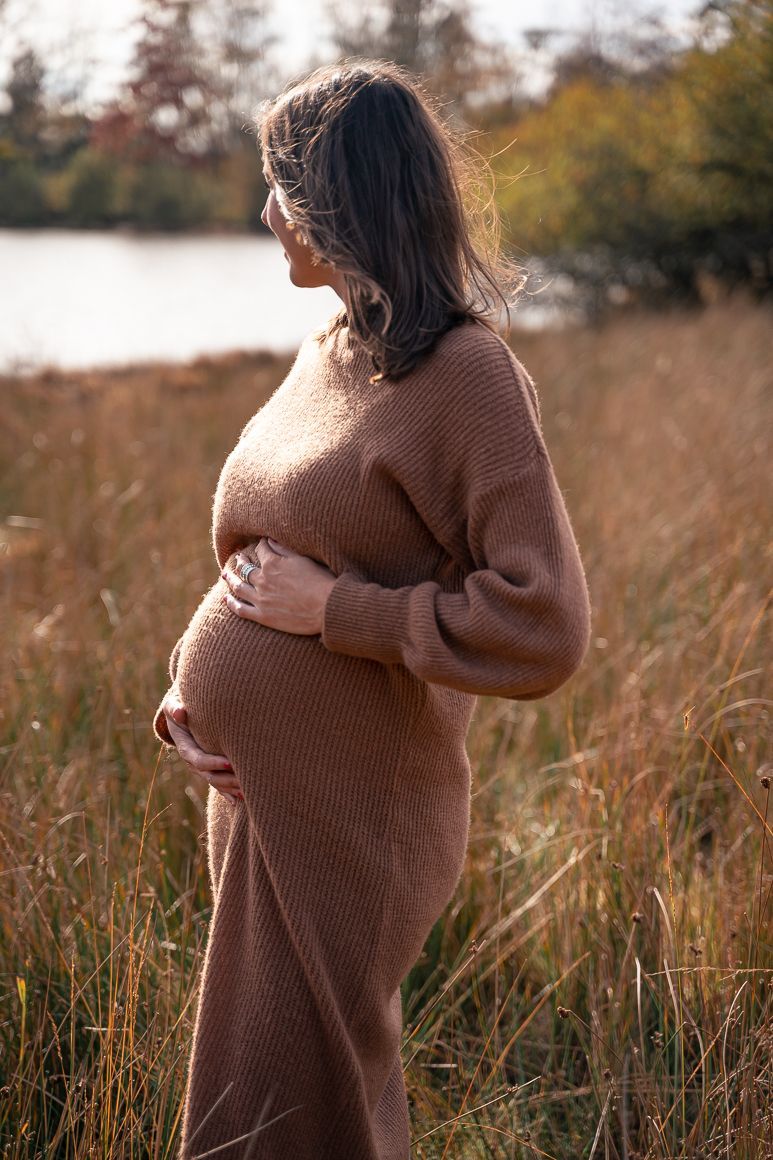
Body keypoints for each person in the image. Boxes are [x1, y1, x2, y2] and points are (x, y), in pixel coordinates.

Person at [153, 59, 591, 1160]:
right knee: (259, 1095)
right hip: (263, 796)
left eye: (280, 189)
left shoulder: (468, 376)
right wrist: (188, 697)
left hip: (357, 813)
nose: (264, 213)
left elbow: (542, 619)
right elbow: (257, 550)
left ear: (336, 203)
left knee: (307, 1104)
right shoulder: (329, 351)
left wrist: (339, 612)